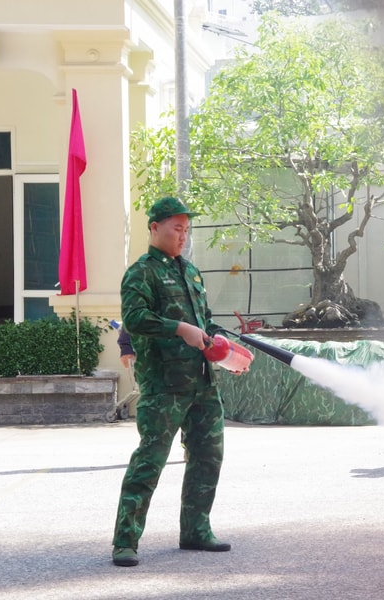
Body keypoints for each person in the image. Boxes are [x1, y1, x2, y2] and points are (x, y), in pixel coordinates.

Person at [111, 196, 241, 567]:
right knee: (149, 461)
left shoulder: (192, 272)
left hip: (201, 383)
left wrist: (226, 348)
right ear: (155, 227)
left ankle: (196, 530)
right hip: (164, 385)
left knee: (207, 456)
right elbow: (134, 319)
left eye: (186, 229)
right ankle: (125, 541)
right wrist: (178, 328)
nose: (183, 235)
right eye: (176, 228)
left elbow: (205, 323)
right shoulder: (141, 272)